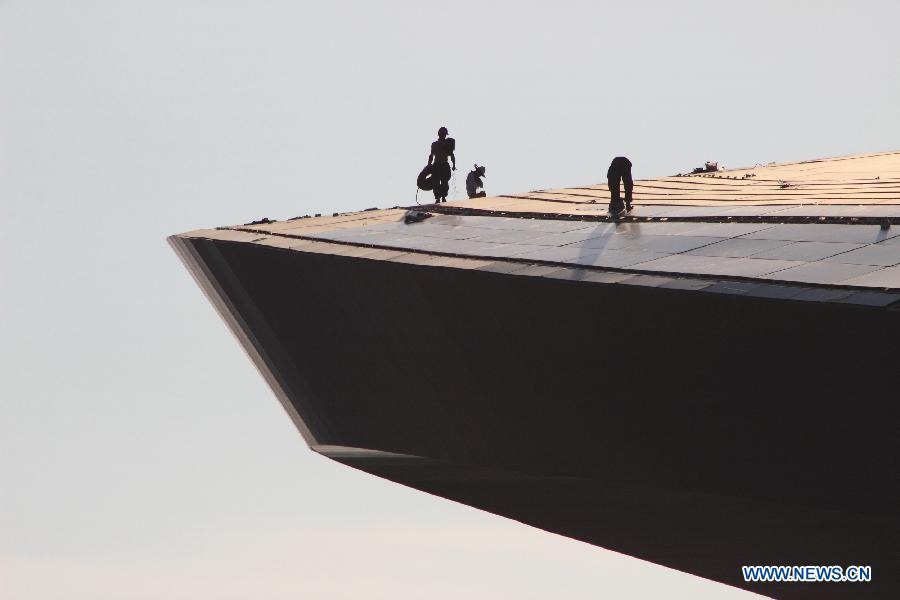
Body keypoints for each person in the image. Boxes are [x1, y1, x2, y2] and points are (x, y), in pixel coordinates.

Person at [428, 127, 456, 202]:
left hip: (437, 165)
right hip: (443, 165)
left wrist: (429, 165)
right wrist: (453, 165)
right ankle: (442, 197)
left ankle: (439, 198)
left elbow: (431, 155)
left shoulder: (434, 144)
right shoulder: (446, 143)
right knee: (443, 182)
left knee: (438, 182)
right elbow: (452, 155)